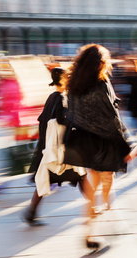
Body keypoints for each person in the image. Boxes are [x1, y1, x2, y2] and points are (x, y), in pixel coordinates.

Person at [64, 44, 137, 248]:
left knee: (96, 180)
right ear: (101, 64)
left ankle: (92, 229)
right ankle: (109, 220)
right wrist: (128, 145)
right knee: (105, 179)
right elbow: (111, 118)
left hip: (84, 141)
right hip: (104, 141)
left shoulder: (73, 83)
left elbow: (71, 113)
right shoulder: (101, 83)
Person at [24, 67, 90, 226]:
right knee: (80, 175)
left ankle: (31, 213)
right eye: (67, 77)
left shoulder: (53, 97)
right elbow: (61, 120)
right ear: (61, 79)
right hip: (58, 151)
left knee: (71, 176)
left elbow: (45, 122)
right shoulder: (59, 98)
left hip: (54, 150)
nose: (69, 79)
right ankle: (93, 203)